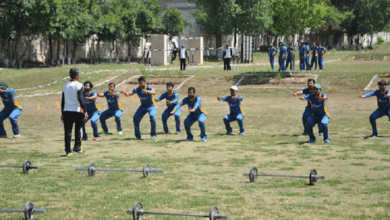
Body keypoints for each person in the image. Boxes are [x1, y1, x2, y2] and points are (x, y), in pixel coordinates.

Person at [61, 68, 87, 156]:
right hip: (77, 110)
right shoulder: (79, 85)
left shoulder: (65, 85)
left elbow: (63, 100)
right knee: (78, 130)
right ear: (77, 75)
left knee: (67, 132)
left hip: (67, 110)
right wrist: (85, 111)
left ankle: (68, 151)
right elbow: (81, 99)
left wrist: (62, 113)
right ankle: (77, 148)